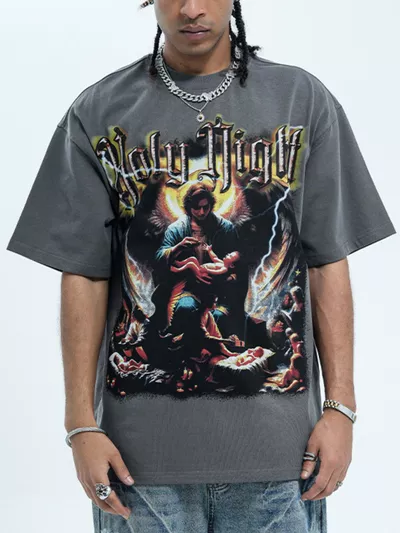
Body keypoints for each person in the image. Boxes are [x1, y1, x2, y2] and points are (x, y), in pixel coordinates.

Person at [5, 0, 397, 531]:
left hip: (281, 457)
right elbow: (84, 271)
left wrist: (341, 408)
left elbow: (326, 260)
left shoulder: (301, 100)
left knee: (228, 310)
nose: (191, 9)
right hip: (138, 463)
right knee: (181, 303)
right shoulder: (98, 110)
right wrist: (80, 425)